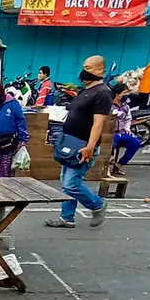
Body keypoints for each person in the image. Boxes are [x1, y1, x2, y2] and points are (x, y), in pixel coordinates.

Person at [46, 55, 110, 229]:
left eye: (89, 68)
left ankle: (97, 205)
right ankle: (67, 218)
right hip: (69, 142)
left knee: (72, 184)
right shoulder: (85, 90)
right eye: (84, 67)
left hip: (83, 146)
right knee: (66, 182)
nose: (84, 71)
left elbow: (98, 124)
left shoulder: (103, 93)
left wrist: (89, 147)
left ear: (100, 70)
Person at [108, 83, 142, 177]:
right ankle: (109, 162)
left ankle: (120, 164)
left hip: (122, 132)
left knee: (135, 142)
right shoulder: (109, 105)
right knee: (111, 143)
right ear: (117, 94)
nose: (126, 95)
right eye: (124, 93)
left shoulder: (125, 106)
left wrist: (127, 129)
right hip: (111, 133)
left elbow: (128, 119)